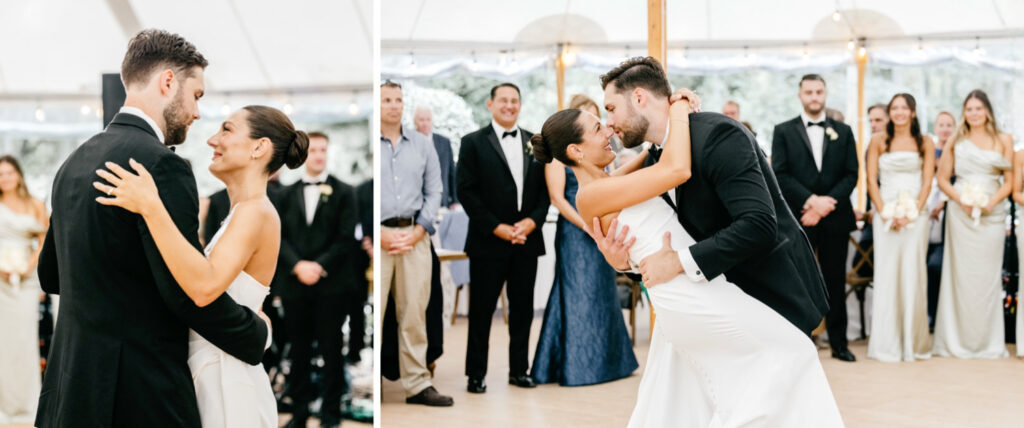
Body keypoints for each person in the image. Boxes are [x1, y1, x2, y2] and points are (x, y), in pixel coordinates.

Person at [542, 57, 841, 426]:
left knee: (685, 397)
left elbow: (658, 162)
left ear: (638, 98)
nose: (609, 126)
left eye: (609, 111)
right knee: (782, 361)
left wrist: (674, 108)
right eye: (599, 122)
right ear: (576, 151)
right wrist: (680, 108)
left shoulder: (624, 174)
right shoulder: (590, 197)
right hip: (687, 290)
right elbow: (675, 170)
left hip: (707, 280)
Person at [36, 29, 271, 428]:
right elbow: (185, 292)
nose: (198, 113)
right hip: (138, 390)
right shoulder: (162, 165)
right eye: (196, 95)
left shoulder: (73, 161)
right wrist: (256, 333)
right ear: (167, 82)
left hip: (70, 381)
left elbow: (51, 274)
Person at [530, 94, 638, 386]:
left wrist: (648, 154)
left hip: (600, 226)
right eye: (594, 126)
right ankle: (577, 366)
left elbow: (613, 184)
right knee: (577, 296)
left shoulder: (601, 159)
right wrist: (589, 226)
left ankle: (608, 362)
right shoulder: (559, 158)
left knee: (602, 296)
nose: (606, 131)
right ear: (575, 146)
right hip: (577, 234)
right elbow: (557, 198)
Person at [457, 82, 550, 393]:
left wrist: (531, 223)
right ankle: (476, 374)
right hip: (488, 241)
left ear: (520, 105)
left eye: (515, 101)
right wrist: (496, 227)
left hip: (526, 240)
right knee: (481, 311)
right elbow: (466, 192)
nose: (509, 105)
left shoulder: (535, 142)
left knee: (522, 310)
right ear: (490, 104)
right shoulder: (472, 143)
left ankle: (519, 371)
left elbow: (545, 195)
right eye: (503, 100)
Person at [771, 74, 859, 362]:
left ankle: (839, 343)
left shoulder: (843, 131)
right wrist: (811, 202)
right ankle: (802, 342)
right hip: (800, 219)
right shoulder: (783, 131)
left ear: (825, 94)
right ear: (800, 95)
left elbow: (851, 174)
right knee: (800, 282)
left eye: (819, 91)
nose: (814, 97)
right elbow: (781, 175)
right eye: (808, 92)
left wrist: (824, 205)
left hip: (834, 218)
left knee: (835, 280)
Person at [275, 131, 358, 427]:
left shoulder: (346, 192)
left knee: (332, 350)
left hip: (332, 286)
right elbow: (279, 236)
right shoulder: (285, 194)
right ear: (304, 154)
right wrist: (297, 266)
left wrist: (318, 266)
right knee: (298, 352)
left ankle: (331, 415)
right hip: (295, 286)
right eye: (314, 150)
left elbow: (346, 238)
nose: (319, 155)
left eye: (324, 150)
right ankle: (298, 414)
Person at [379, 80, 453, 406]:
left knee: (413, 314)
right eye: (386, 100)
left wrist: (420, 229)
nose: (393, 105)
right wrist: (377, 235)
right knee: (378, 315)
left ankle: (417, 385)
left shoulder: (423, 144)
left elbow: (434, 190)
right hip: (378, 239)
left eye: (397, 99)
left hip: (415, 236)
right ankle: (373, 388)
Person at [933, 89, 1013, 359]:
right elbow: (943, 178)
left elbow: (1011, 183)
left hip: (992, 214)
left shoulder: (1004, 139)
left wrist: (991, 202)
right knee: (961, 277)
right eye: (969, 109)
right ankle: (957, 340)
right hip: (961, 214)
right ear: (964, 113)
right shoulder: (956, 139)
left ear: (988, 111)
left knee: (987, 279)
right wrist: (961, 199)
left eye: (979, 108)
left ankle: (988, 342)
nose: (974, 113)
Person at [864, 93, 935, 362]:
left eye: (905, 108)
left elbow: (927, 182)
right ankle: (887, 343)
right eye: (895, 108)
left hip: (916, 215)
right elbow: (871, 181)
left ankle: (913, 343)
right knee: (888, 273)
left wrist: (912, 212)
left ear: (913, 112)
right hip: (887, 215)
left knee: (913, 273)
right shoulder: (878, 140)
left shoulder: (925, 142)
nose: (899, 112)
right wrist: (885, 213)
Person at [0, 155, 47, 423]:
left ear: (18, 174)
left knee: (26, 340)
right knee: (3, 342)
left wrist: (30, 266)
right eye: (0, 174)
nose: (5, 178)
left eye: (9, 172)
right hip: (1, 281)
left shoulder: (35, 205)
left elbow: (45, 239)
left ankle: (29, 403)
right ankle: (5, 404)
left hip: (26, 281)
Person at [926, 111, 957, 329]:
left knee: (935, 265)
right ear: (936, 127)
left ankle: (938, 316)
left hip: (949, 216)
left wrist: (944, 202)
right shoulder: (928, 150)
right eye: (941, 124)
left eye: (949, 125)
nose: (945, 128)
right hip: (925, 210)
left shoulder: (958, 150)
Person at [415, 107, 458, 208]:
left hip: (442, 202)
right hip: (417, 203)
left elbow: (452, 172)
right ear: (415, 122)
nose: (425, 123)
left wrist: (455, 200)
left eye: (428, 119)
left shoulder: (444, 142)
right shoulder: (409, 142)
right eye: (421, 120)